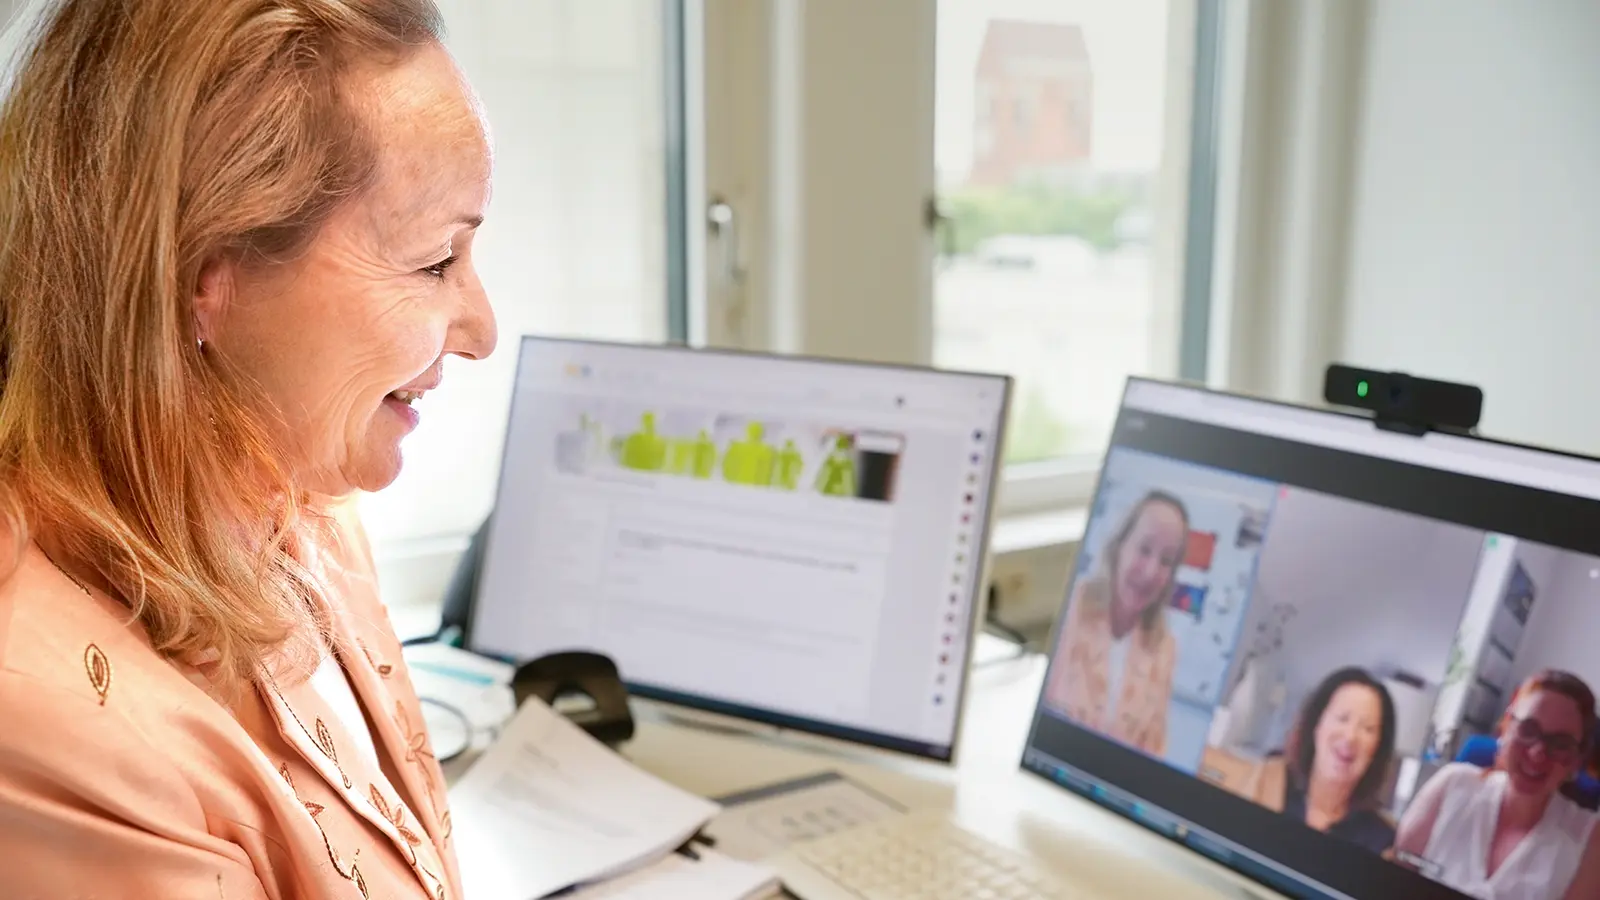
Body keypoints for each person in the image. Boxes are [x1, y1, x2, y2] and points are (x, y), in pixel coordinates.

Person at [0, 1, 495, 897]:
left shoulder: (302, 504)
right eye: (434, 262)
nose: (481, 330)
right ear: (205, 279)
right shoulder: (47, 727)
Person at [1394, 670, 1600, 900]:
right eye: (1528, 729)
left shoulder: (1589, 838)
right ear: (1506, 727)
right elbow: (1393, 880)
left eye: (1561, 743)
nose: (1537, 753)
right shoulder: (1451, 785)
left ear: (1576, 760)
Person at [1045, 490, 1189, 756]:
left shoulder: (1165, 648)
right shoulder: (1074, 607)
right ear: (1119, 546)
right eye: (1144, 549)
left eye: (1166, 561)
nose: (1150, 572)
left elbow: (1153, 751)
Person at [1245, 668, 1399, 854]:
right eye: (1342, 718)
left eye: (1368, 729)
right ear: (1317, 725)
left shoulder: (1381, 841)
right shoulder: (1268, 780)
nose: (1350, 737)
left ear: (1377, 750)